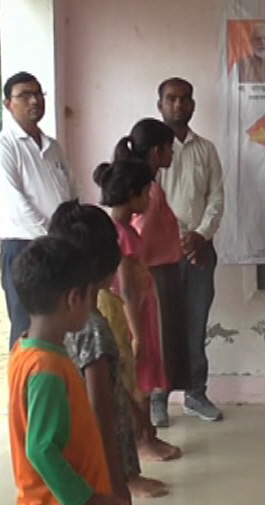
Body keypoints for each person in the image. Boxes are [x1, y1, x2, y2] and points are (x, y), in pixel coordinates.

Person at [8, 236, 132, 505]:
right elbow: (41, 449)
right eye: (90, 296)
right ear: (74, 299)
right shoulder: (47, 368)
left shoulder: (25, 349)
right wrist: (90, 501)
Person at [54, 201, 170, 505]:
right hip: (100, 462)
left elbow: (109, 383)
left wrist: (133, 409)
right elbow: (100, 409)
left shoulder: (69, 321)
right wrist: (115, 480)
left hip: (94, 455)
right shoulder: (93, 328)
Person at [97, 160, 182, 463]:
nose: (149, 199)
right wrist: (137, 335)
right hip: (131, 316)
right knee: (137, 375)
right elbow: (128, 289)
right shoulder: (123, 236)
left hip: (137, 312)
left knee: (141, 374)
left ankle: (148, 434)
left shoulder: (120, 231)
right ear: (133, 194)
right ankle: (141, 438)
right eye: (146, 193)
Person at [0, 71, 78, 350]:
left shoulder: (53, 147)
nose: (34, 101)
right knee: (27, 327)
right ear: (8, 104)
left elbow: (72, 194)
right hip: (24, 248)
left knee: (58, 325)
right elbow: (15, 205)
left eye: (38, 94)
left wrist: (72, 233)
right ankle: (25, 379)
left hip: (59, 247)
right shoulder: (3, 148)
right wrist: (55, 237)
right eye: (24, 95)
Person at [156, 78, 225, 422]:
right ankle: (157, 398)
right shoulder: (151, 149)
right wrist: (177, 237)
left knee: (196, 325)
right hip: (161, 254)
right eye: (171, 99)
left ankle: (196, 394)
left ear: (193, 105)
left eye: (184, 99)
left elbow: (216, 197)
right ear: (160, 105)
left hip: (200, 251)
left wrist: (200, 235)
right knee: (160, 326)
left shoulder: (206, 149)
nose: (178, 105)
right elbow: (147, 202)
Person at [115, 118, 188, 429]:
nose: (172, 154)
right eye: (169, 148)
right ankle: (144, 431)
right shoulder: (150, 193)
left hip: (153, 276)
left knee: (156, 356)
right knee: (146, 356)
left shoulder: (149, 188)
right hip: (149, 278)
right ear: (157, 151)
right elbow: (136, 243)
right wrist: (140, 279)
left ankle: (147, 432)